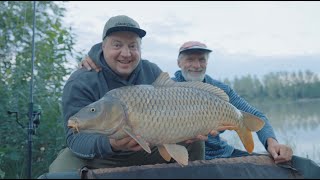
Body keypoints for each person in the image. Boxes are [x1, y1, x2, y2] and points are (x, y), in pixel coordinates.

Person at [80, 41, 293, 164]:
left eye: (201, 59)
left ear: (207, 63)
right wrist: (94, 57)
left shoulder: (222, 91)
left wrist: (271, 143)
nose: (196, 65)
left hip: (223, 155)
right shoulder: (168, 89)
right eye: (190, 59)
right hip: (192, 159)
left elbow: (255, 117)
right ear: (179, 62)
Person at [49, 15, 211, 173]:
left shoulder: (151, 71)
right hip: (100, 156)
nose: (126, 53)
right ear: (103, 46)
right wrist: (111, 144)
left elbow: (179, 106)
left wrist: (193, 125)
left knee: (195, 143)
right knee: (60, 171)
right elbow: (75, 138)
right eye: (117, 45)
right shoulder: (82, 80)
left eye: (132, 46)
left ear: (140, 49)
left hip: (145, 150)